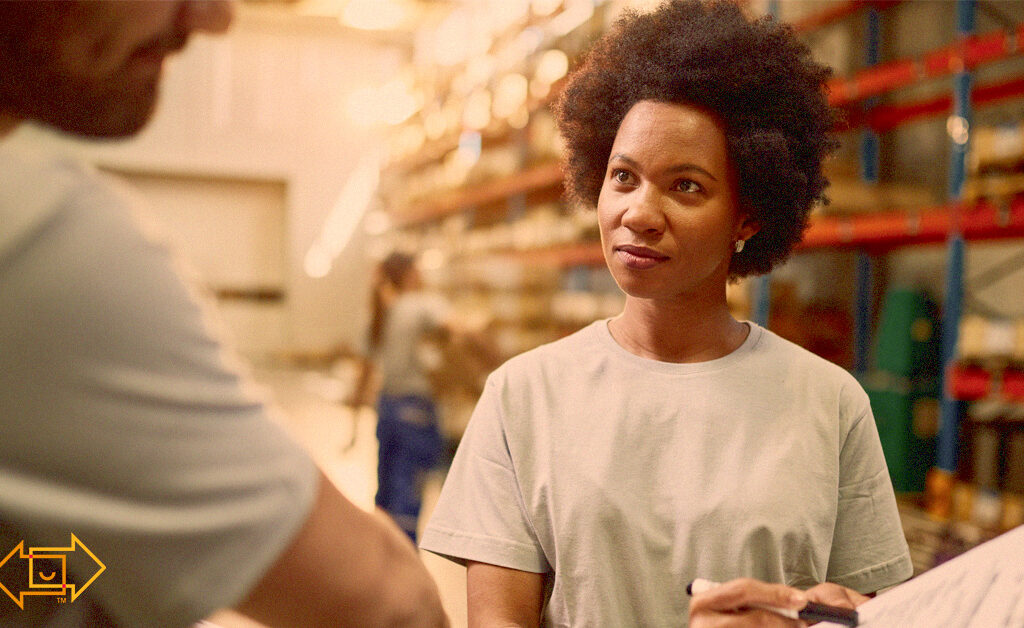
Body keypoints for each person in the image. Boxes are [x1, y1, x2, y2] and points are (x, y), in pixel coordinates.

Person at [419, 1, 913, 626]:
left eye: (687, 186)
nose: (640, 214)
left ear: (748, 216)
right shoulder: (524, 397)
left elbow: (870, 611)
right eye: (623, 177)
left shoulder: (829, 404)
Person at [0, 3, 447, 627]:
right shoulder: (41, 238)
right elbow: (392, 604)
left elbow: (21, 567)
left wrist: (74, 584)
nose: (213, 18)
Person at [348, 252, 497, 544]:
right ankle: (403, 575)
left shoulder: (379, 313)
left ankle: (382, 566)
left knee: (386, 498)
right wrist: (493, 356)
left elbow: (363, 376)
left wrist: (352, 429)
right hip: (416, 414)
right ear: (410, 274)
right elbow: (462, 331)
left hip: (387, 411)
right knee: (408, 500)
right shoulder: (423, 305)